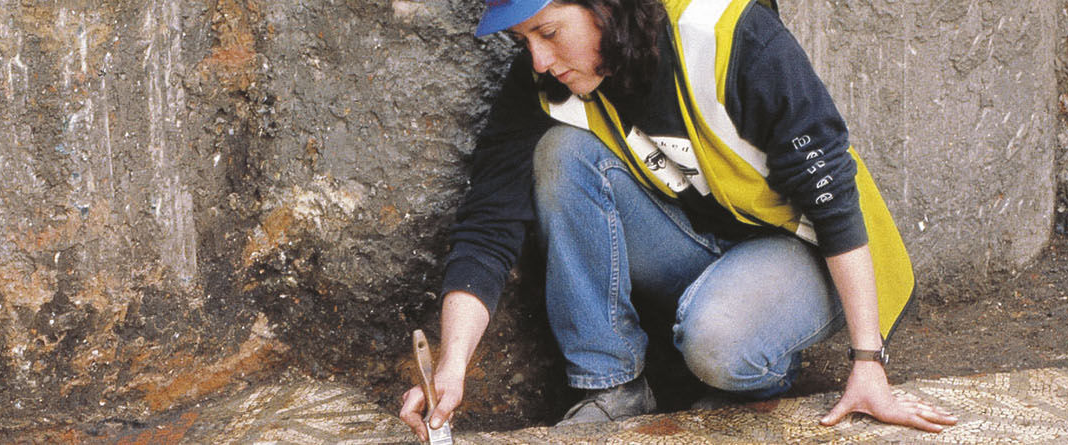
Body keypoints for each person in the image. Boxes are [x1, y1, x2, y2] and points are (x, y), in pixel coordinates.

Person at [398, 0, 956, 437]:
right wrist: (453, 367)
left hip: (816, 250)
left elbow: (832, 196)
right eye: (524, 41)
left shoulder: (731, 36)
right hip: (708, 243)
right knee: (560, 155)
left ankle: (753, 374)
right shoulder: (548, 78)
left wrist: (868, 361)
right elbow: (488, 224)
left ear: (605, 6)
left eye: (548, 32)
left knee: (717, 340)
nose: (538, 59)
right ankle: (613, 389)